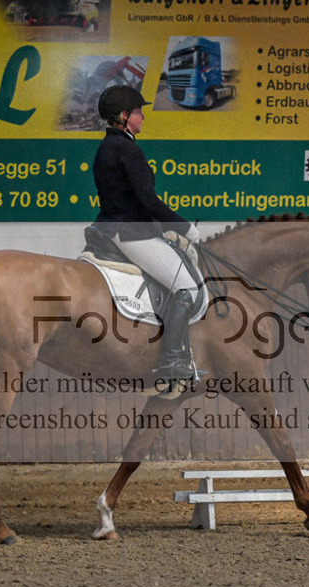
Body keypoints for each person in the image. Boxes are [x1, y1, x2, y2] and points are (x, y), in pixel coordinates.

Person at [92, 84, 204, 384]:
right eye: (139, 112)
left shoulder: (108, 146)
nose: (143, 118)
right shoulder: (127, 149)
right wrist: (184, 227)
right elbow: (149, 201)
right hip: (130, 233)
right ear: (125, 116)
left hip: (117, 226)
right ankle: (171, 360)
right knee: (187, 289)